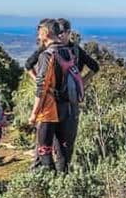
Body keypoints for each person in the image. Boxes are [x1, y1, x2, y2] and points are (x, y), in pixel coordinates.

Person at [26, 18, 99, 171]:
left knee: (46, 148)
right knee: (62, 149)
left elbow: (40, 85)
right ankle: (60, 178)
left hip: (52, 106)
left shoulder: (49, 53)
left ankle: (48, 180)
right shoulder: (70, 51)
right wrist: (80, 85)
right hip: (69, 105)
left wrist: (34, 112)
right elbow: (29, 66)